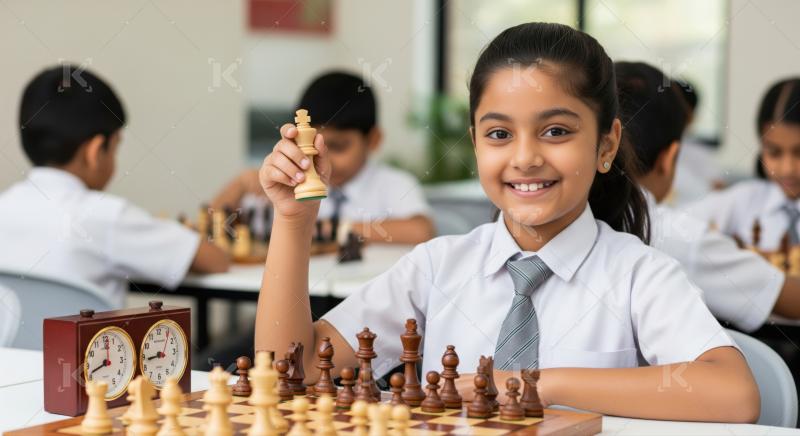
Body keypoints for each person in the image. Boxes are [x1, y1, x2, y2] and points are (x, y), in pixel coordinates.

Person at [254, 23, 759, 421]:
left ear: (606, 145)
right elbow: (286, 371)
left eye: (555, 130)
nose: (525, 157)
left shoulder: (637, 274)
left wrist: (539, 383)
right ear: (474, 142)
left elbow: (733, 393)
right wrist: (293, 222)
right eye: (498, 133)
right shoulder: (436, 267)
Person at [0, 65, 229, 308]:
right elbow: (214, 259)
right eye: (116, 147)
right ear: (96, 151)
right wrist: (239, 186)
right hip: (89, 347)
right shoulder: (107, 216)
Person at [616, 61, 798, 332]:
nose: (787, 168)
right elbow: (780, 295)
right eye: (774, 152)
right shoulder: (686, 232)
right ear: (671, 157)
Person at [211, 71, 434, 244]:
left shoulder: (393, 184)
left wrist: (330, 229)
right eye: (311, 148)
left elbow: (420, 230)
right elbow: (211, 227)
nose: (323, 158)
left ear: (373, 139)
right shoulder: (291, 183)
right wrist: (239, 184)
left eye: (337, 147)